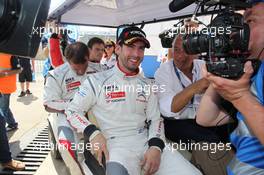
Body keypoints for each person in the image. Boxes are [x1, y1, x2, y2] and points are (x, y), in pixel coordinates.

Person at [65, 26, 201, 175]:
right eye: (130, 47)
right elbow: (72, 110)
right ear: (117, 48)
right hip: (115, 147)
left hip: (146, 143)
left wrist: (155, 146)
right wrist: (93, 133)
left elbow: (156, 119)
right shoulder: (96, 81)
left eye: (141, 48)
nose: (136, 54)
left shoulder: (148, 84)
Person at [196, 1, 264, 174]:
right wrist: (221, 70)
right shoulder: (252, 71)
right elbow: (206, 119)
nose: (237, 31)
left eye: (250, 22)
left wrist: (240, 96)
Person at [154, 34, 235, 175]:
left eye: (186, 50)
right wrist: (197, 86)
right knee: (210, 141)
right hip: (176, 122)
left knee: (235, 126)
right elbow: (169, 109)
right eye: (176, 50)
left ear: (196, 51)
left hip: (203, 119)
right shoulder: (163, 71)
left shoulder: (202, 66)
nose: (180, 56)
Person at [43, 42, 107, 160]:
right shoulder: (55, 75)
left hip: (96, 111)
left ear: (88, 57)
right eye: (76, 68)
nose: (81, 71)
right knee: (68, 147)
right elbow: (48, 103)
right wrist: (76, 104)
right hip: (67, 114)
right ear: (67, 60)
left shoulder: (101, 69)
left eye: (84, 65)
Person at [0, 53, 25, 171]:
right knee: (4, 110)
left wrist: (4, 74)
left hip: (5, 87)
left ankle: (6, 157)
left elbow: (19, 69)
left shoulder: (9, 51)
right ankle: (12, 123)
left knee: (2, 113)